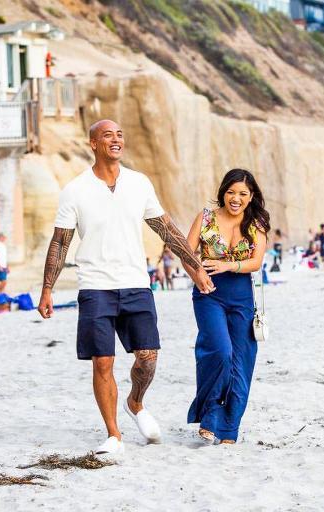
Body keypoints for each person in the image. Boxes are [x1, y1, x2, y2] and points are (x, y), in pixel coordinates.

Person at [37, 119, 215, 455]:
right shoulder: (76, 189)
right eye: (107, 135)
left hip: (136, 283)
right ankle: (114, 434)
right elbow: (60, 242)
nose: (116, 139)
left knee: (148, 359)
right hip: (95, 287)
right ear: (93, 143)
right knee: (102, 362)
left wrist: (195, 268)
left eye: (119, 134)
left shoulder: (139, 183)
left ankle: (135, 402)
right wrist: (48, 289)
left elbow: (167, 230)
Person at [183, 169, 269, 445]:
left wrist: (228, 265)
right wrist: (198, 275)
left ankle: (229, 427)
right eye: (231, 192)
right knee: (220, 352)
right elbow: (186, 253)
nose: (236, 198)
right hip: (209, 293)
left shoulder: (256, 223)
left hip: (241, 297)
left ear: (251, 196)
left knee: (242, 361)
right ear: (223, 192)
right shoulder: (206, 217)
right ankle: (210, 417)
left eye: (243, 193)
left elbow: (256, 262)